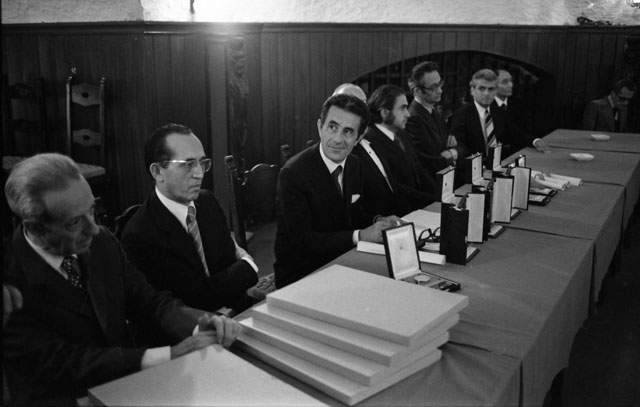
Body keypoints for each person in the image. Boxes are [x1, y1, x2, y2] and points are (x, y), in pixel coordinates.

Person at [3, 153, 240, 405]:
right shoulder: (8, 278)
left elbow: (148, 302)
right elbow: (63, 363)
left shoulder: (102, 242)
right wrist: (168, 355)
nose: (93, 228)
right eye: (74, 222)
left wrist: (198, 324)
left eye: (91, 210)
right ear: (35, 228)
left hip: (125, 385)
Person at [121, 124, 258, 314]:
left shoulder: (207, 201)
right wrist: (248, 264)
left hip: (238, 311)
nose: (199, 174)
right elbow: (197, 299)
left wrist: (232, 276)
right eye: (188, 164)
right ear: (157, 172)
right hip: (194, 328)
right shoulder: (140, 234)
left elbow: (227, 265)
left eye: (202, 163)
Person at [274, 94, 400, 288]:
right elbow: (304, 241)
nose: (337, 139)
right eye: (332, 127)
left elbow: (354, 215)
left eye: (348, 132)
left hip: (343, 260)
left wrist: (378, 221)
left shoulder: (354, 164)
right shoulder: (293, 173)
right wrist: (360, 235)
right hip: (302, 272)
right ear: (320, 127)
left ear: (359, 138)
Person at [354, 84, 437, 217]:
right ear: (385, 112)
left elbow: (420, 172)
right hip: (399, 215)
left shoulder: (402, 134)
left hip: (421, 209)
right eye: (402, 108)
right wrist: (433, 200)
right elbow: (398, 189)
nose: (408, 114)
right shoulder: (370, 142)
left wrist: (439, 196)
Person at [333, 84, 397, 217]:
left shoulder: (375, 139)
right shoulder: (340, 153)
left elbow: (395, 186)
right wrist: (377, 221)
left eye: (363, 106)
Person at [451, 69, 517, 176]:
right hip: (472, 172)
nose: (486, 93)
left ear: (495, 91)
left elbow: (514, 133)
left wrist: (534, 141)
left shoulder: (498, 111)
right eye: (482, 89)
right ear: (472, 90)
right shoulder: (461, 115)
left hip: (498, 167)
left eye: (491, 89)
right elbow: (461, 149)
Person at [405, 61, 459, 178]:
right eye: (433, 87)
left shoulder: (433, 111)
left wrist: (451, 152)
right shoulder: (412, 119)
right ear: (417, 91)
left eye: (440, 84)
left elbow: (452, 143)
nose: (440, 90)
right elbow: (427, 161)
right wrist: (453, 154)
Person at [493, 69, 548, 154]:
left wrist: (535, 141)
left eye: (511, 81)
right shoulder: (486, 106)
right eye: (505, 82)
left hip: (518, 151)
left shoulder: (519, 104)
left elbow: (523, 132)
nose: (511, 85)